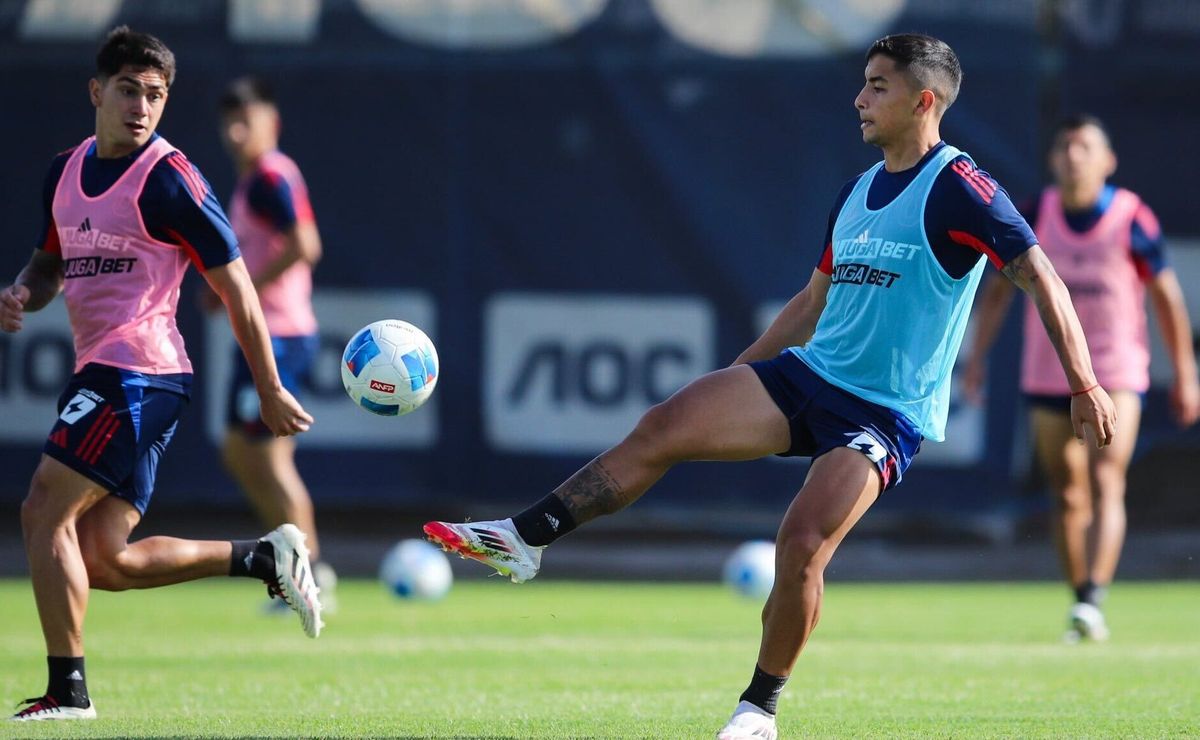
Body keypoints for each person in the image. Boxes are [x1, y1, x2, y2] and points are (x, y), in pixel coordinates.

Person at [424, 33, 1118, 740]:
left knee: (802, 542)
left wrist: (1085, 384)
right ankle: (525, 537)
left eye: (878, 85)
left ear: (923, 100)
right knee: (666, 423)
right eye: (864, 82)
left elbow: (1043, 277)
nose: (860, 97)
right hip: (807, 377)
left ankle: (758, 710)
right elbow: (811, 302)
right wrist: (741, 374)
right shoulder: (857, 191)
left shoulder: (963, 188)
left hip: (883, 416)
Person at [1, 27, 323, 722]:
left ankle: (69, 692)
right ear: (97, 91)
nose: (141, 107)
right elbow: (49, 263)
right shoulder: (64, 171)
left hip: (139, 373)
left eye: (155, 95)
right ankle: (263, 559)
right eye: (128, 91)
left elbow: (237, 287)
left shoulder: (172, 179)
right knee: (104, 560)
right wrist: (23, 290)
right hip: (111, 372)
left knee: (40, 509)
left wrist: (268, 386)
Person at [963, 114, 1200, 643]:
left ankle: (1094, 597)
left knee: (1105, 478)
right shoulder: (1033, 214)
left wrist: (1186, 374)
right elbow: (1000, 293)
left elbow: (1167, 300)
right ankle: (1080, 599)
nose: (1074, 157)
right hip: (1048, 375)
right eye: (1065, 147)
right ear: (1052, 159)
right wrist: (976, 356)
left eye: (1085, 147)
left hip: (1116, 372)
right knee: (1067, 493)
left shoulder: (1130, 217)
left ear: (1107, 161)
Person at [213, 76, 336, 612]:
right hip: (267, 336)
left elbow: (306, 246)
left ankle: (310, 574)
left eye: (250, 120)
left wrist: (244, 288)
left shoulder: (268, 177)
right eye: (231, 123)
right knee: (241, 452)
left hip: (282, 335)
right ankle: (288, 561)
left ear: (272, 123)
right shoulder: (253, 181)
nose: (239, 132)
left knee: (270, 457)